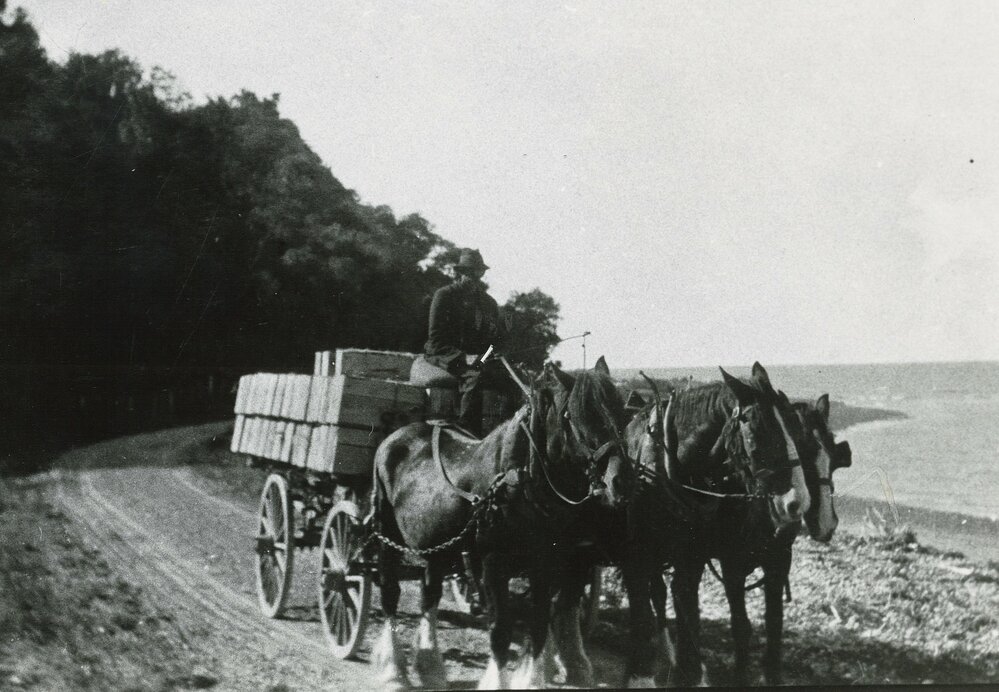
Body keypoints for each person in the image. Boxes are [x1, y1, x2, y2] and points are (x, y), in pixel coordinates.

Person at [424, 248, 512, 435]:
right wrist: (464, 357)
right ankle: (466, 432)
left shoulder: (488, 303)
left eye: (477, 272)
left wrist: (490, 355)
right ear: (460, 273)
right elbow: (435, 338)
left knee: (512, 379)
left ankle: (506, 435)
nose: (473, 277)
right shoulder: (445, 295)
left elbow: (493, 342)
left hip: (477, 358)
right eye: (468, 272)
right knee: (475, 378)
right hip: (444, 353)